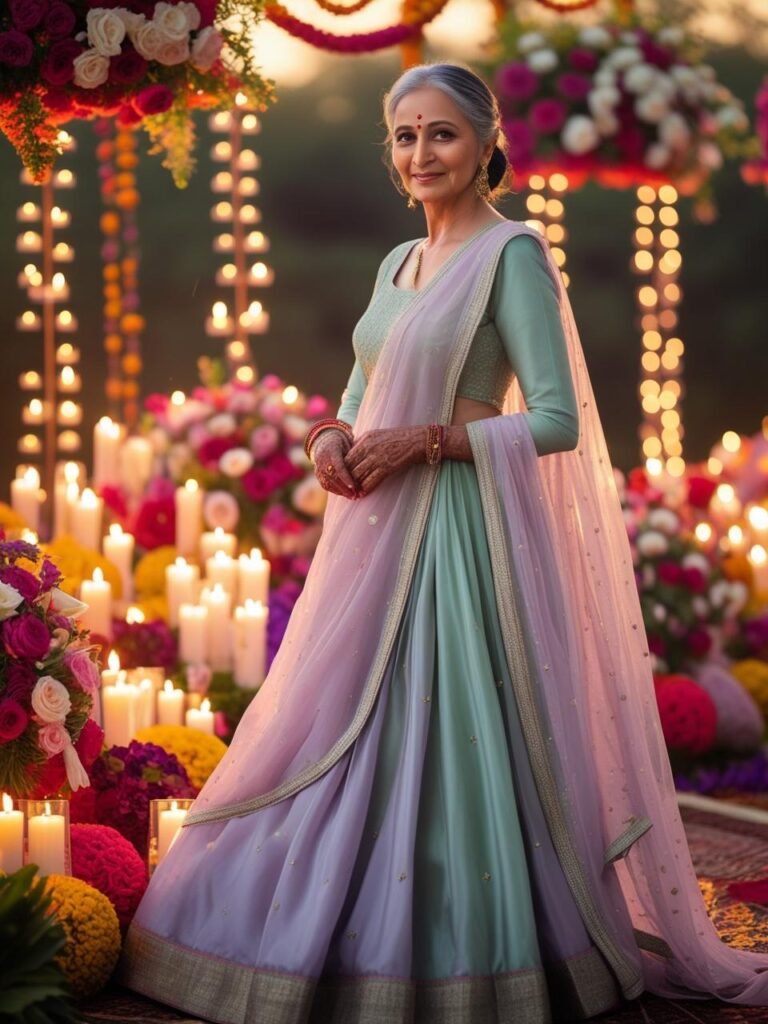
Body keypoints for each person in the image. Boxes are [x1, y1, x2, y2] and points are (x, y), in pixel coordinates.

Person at [120, 62, 768, 1023]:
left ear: (485, 144)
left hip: (460, 536)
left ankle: (466, 951)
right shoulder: (393, 264)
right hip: (368, 534)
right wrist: (331, 439)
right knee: (332, 724)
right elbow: (357, 389)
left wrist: (424, 442)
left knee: (443, 727)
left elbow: (555, 421)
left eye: (442, 135)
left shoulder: (512, 256)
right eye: (405, 135)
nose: (421, 153)